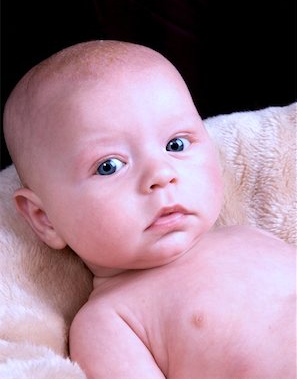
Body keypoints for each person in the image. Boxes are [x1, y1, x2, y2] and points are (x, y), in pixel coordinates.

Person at [3, 40, 296, 379]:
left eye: (176, 144)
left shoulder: (251, 235)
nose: (160, 174)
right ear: (44, 219)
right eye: (109, 166)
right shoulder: (110, 321)